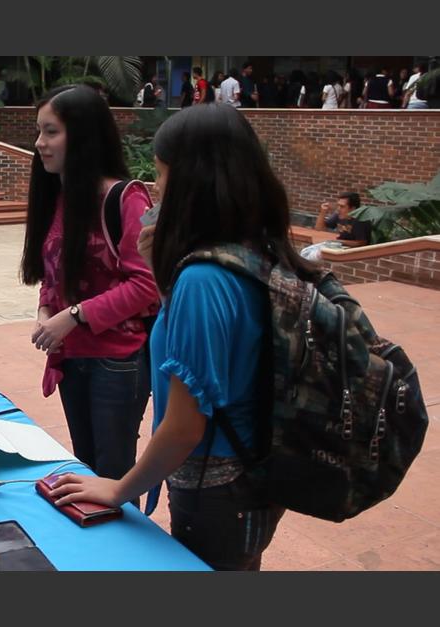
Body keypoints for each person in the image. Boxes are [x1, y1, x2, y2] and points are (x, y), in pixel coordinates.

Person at [48, 103, 316, 570]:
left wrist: (119, 487)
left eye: (162, 174)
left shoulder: (203, 279)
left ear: (194, 182)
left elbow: (185, 426)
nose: (155, 187)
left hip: (216, 484)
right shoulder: (256, 250)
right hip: (258, 471)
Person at [21, 85, 159, 484]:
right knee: (85, 467)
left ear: (82, 135)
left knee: (112, 474)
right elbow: (53, 272)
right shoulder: (61, 195)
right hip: (74, 355)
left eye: (50, 132)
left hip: (117, 360)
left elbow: (146, 283)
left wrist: (74, 316)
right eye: (39, 131)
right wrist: (47, 309)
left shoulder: (125, 198)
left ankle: (122, 547)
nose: (39, 144)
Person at [300, 192, 372, 260]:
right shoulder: (339, 215)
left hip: (351, 251)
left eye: (342, 206)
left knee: (312, 257)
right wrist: (323, 212)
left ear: (353, 208)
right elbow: (319, 228)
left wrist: (337, 241)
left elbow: (361, 243)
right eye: (338, 205)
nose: (338, 209)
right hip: (339, 246)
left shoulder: (360, 220)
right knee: (304, 252)